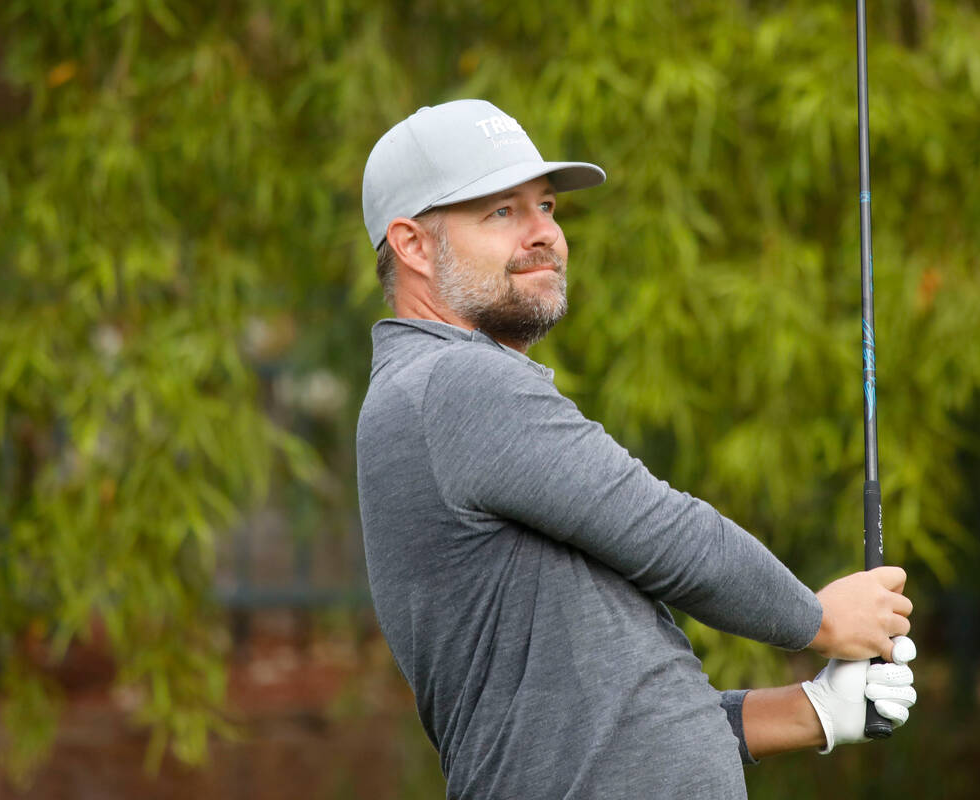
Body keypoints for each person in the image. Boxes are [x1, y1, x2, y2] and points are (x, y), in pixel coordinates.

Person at [356, 99, 917, 799]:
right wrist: (823, 619)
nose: (545, 235)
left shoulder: (440, 396)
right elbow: (670, 535)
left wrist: (815, 712)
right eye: (502, 212)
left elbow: (604, 718)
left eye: (549, 207)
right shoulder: (455, 383)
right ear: (411, 244)